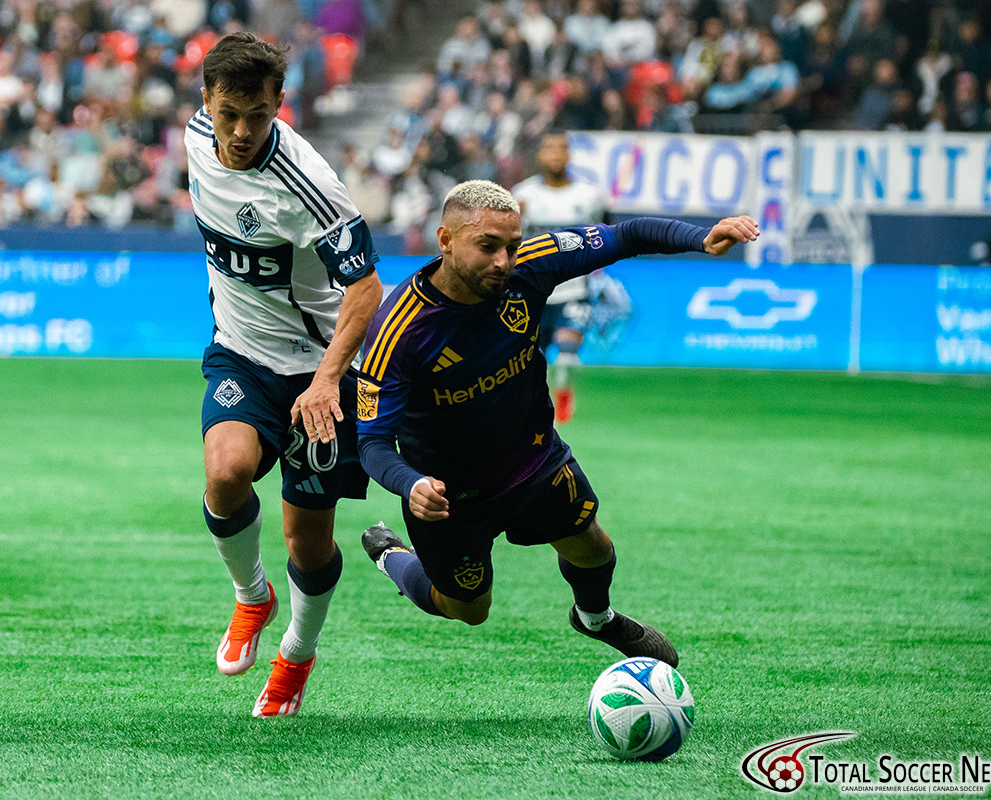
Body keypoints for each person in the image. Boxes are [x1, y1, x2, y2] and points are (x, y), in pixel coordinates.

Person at [356, 180, 757, 668]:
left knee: (593, 546)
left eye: (511, 245)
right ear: (444, 240)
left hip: (534, 461)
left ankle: (596, 618)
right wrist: (411, 483)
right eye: (487, 246)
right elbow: (373, 442)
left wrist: (699, 238)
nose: (504, 261)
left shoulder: (533, 262)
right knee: (467, 609)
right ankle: (391, 557)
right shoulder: (396, 330)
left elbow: (626, 235)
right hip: (448, 497)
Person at [186, 32, 383, 718]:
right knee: (226, 469)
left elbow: (366, 290)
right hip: (241, 351)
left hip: (320, 372)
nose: (243, 131)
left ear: (280, 105)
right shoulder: (194, 137)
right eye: (231, 111)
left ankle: (297, 652)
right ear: (207, 100)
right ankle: (251, 597)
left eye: (261, 115)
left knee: (309, 536)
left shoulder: (309, 187)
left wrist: (329, 381)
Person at [511, 131, 611, 424]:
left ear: (569, 155)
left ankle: (564, 396)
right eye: (549, 149)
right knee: (529, 359)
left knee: (567, 352)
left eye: (561, 149)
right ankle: (534, 403)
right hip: (533, 291)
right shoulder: (522, 195)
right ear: (540, 155)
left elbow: (607, 233)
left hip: (573, 288)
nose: (555, 155)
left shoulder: (589, 196)